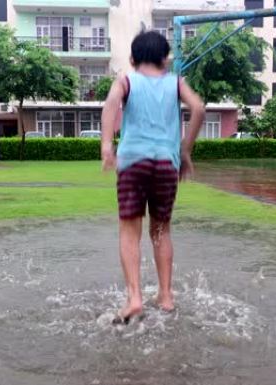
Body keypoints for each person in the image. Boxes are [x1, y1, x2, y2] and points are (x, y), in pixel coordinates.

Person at [101, 30, 205, 323]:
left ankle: (134, 298)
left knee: (129, 230)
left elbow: (111, 104)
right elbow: (198, 107)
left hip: (133, 162)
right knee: (161, 230)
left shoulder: (126, 80)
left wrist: (107, 146)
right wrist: (185, 150)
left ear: (133, 59)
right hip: (166, 164)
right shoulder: (175, 83)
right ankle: (166, 296)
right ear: (165, 59)